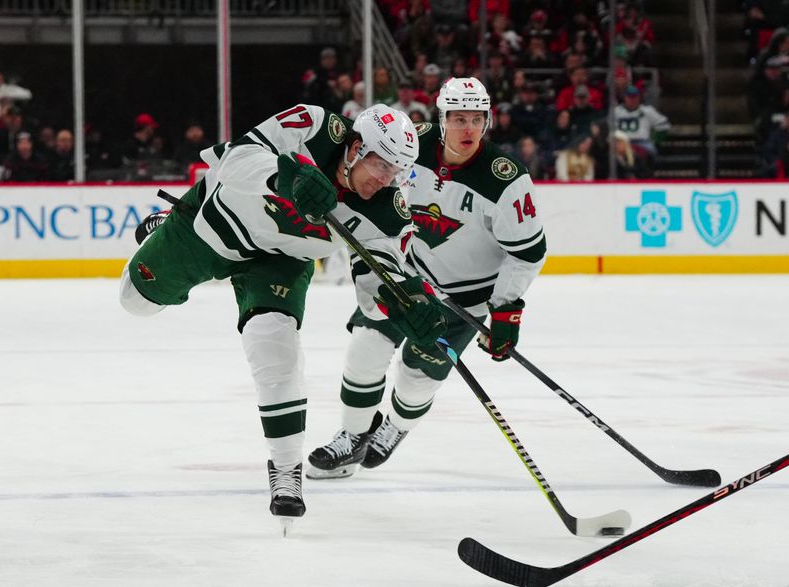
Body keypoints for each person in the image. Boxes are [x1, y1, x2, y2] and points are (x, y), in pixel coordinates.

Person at [118, 103, 446, 526]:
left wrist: (405, 306)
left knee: (274, 350)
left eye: (397, 172)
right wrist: (281, 175)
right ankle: (166, 223)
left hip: (281, 261)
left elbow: (374, 290)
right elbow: (235, 158)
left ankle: (286, 469)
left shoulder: (386, 210)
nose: (384, 179)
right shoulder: (314, 125)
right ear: (355, 146)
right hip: (213, 227)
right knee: (135, 301)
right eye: (380, 164)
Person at [306, 78, 546, 479]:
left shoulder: (506, 178)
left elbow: (527, 252)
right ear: (442, 117)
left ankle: (396, 427)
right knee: (365, 348)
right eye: (458, 118)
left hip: (463, 300)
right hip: (404, 277)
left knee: (417, 380)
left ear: (488, 122)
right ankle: (352, 436)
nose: (467, 128)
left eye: (476, 119)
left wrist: (507, 310)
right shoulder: (409, 146)